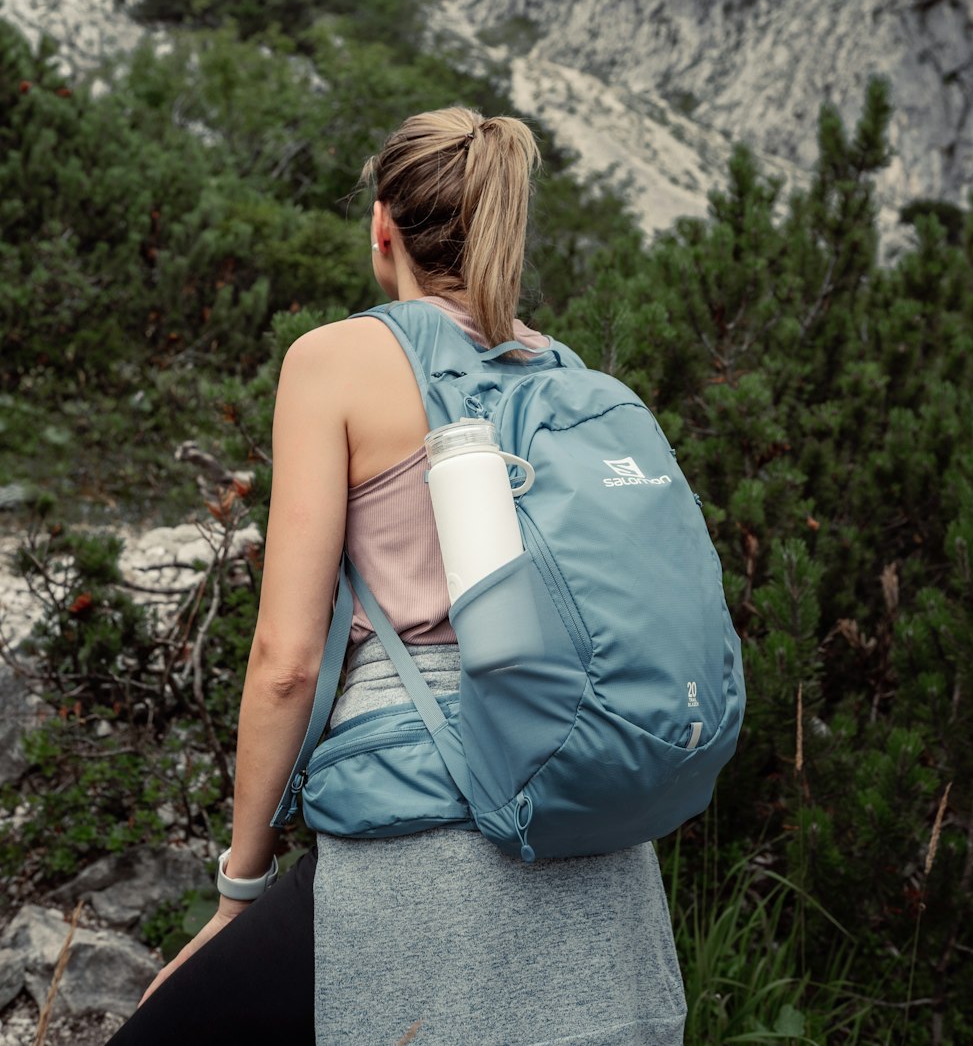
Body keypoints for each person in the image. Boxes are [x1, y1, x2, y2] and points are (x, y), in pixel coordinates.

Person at [107, 106, 687, 1046]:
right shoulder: (569, 377)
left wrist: (237, 889)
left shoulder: (335, 361)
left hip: (420, 817)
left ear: (384, 225)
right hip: (594, 832)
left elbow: (287, 660)